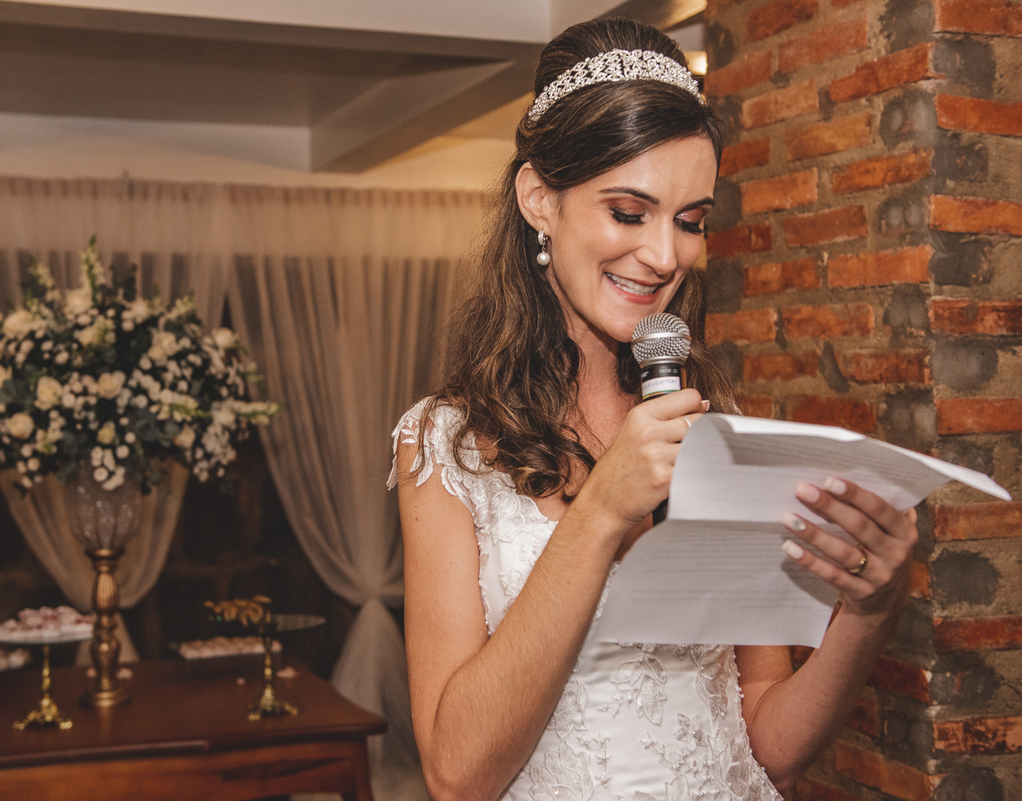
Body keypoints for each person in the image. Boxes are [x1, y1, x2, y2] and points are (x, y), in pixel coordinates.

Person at [389, 17, 918, 801]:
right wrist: (603, 505)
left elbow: (767, 746)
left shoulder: (712, 422)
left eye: (691, 220)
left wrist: (868, 616)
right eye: (630, 212)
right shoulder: (448, 444)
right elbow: (458, 774)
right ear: (539, 198)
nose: (666, 256)